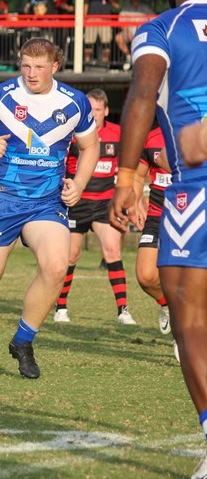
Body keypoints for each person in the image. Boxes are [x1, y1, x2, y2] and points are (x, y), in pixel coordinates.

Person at [107, 0, 207, 479]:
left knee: (189, 316)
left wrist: (126, 178)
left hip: (197, 187)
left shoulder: (162, 27)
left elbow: (143, 92)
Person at [0, 38, 99, 379]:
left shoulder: (75, 102)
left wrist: (79, 183)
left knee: (57, 266)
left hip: (46, 202)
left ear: (55, 67)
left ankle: (23, 340)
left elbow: (91, 147)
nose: (31, 73)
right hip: (2, 198)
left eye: (39, 67)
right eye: (25, 65)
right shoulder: (0, 95)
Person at [52, 89, 134, 325]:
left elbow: (125, 167)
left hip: (104, 203)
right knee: (71, 255)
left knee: (113, 252)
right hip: (76, 202)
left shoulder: (118, 134)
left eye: (98, 109)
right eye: (91, 109)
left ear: (106, 111)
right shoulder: (71, 133)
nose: (95, 114)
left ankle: (123, 311)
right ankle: (61, 308)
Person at [132, 126, 172, 335]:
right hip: (156, 216)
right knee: (146, 276)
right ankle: (168, 306)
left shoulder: (198, 134)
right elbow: (138, 176)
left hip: (192, 218)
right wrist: (137, 202)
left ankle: (186, 336)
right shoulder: (152, 138)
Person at [84, 0, 120, 65]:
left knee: (106, 43)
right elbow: (86, 2)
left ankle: (105, 63)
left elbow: (117, 5)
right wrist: (84, 17)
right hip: (92, 18)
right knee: (88, 42)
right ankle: (86, 62)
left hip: (105, 19)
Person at [114, 0, 154, 71]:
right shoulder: (126, 9)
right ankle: (129, 57)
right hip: (129, 33)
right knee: (118, 37)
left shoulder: (145, 8)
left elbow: (154, 18)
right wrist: (128, 33)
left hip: (143, 34)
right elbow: (121, 23)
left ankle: (146, 62)